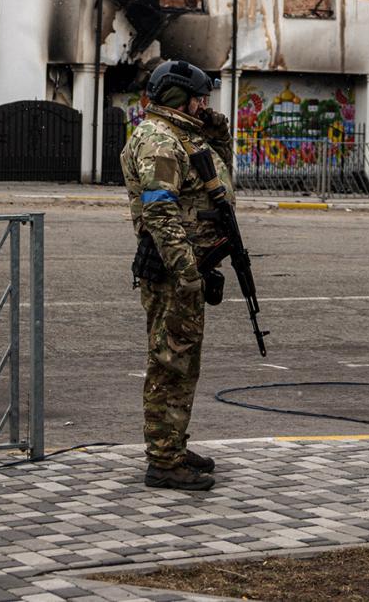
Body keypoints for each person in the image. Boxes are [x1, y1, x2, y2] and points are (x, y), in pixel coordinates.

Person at [121, 59, 234, 490]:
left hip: (187, 268)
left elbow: (218, 170)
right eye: (197, 98)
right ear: (174, 96)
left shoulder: (182, 133)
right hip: (173, 272)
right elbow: (160, 211)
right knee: (170, 364)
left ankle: (172, 443)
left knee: (183, 363)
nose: (203, 104)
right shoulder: (159, 140)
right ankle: (163, 461)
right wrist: (187, 271)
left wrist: (216, 125)